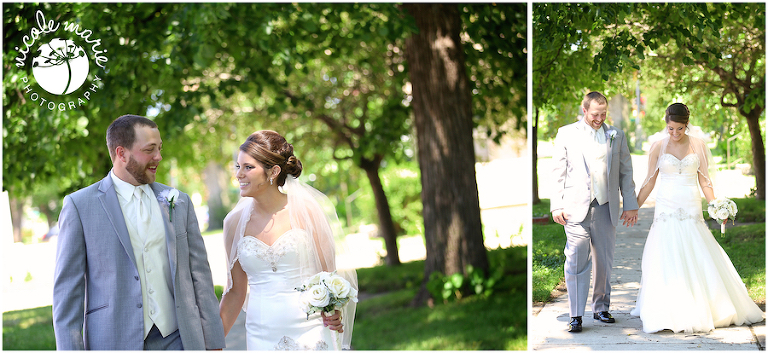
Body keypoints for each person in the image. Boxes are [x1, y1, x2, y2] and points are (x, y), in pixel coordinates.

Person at [52, 115, 226, 350]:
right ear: (121, 153)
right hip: (114, 340)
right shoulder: (80, 206)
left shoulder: (179, 202)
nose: (158, 157)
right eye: (149, 150)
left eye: (160, 149)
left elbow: (200, 278)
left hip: (178, 338)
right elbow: (67, 294)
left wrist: (213, 343)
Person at [630, 103, 764, 333]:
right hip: (666, 206)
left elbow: (705, 181)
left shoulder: (698, 145)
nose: (674, 134)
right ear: (666, 124)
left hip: (690, 202)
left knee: (697, 248)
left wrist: (716, 206)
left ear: (686, 125)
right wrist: (632, 207)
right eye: (671, 128)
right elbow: (649, 181)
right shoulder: (657, 147)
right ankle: (667, 307)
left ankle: (709, 304)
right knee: (665, 251)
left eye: (679, 129)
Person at [218, 130, 357, 350]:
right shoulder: (233, 224)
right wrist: (212, 344)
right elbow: (235, 292)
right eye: (238, 166)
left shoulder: (307, 210)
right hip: (261, 335)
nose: (239, 175)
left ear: (273, 171)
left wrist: (334, 311)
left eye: (248, 167)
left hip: (311, 332)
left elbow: (328, 277)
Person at [551, 91, 639, 333]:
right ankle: (576, 315)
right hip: (575, 208)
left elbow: (625, 171)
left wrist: (630, 204)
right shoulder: (566, 133)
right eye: (595, 114)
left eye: (603, 114)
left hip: (605, 207)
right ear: (584, 110)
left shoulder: (616, 135)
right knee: (576, 259)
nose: (599, 118)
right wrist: (556, 204)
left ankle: (601, 307)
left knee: (604, 261)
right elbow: (558, 172)